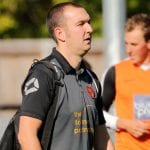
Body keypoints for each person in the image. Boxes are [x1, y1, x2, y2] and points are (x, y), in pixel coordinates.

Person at [17, 2, 114, 150]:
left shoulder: (91, 78)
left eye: (89, 22)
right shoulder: (44, 74)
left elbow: (102, 137)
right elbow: (26, 135)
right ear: (60, 33)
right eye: (81, 24)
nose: (90, 29)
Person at [102, 13, 150, 150]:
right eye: (126, 44)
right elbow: (96, 112)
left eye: (134, 44)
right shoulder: (115, 72)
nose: (128, 50)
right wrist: (122, 123)